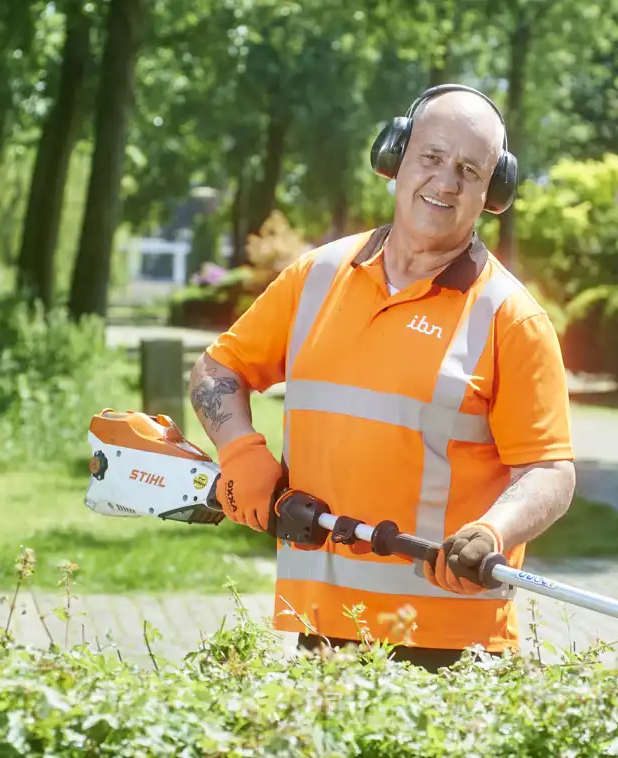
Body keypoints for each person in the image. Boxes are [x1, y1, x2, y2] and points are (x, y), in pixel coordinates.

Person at [187, 83, 576, 672]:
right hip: (320, 628)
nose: (445, 182)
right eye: (432, 157)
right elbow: (219, 369)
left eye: (469, 171)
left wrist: (492, 532)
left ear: (493, 193)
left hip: (450, 644)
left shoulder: (510, 318)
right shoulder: (317, 277)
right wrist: (241, 452)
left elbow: (550, 471)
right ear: (394, 157)